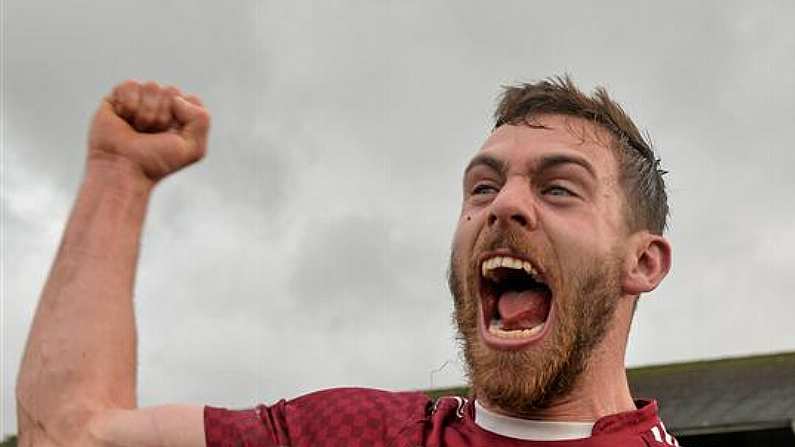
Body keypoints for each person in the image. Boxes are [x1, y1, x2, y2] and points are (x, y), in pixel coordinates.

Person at [16, 76, 678, 446]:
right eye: (481, 186)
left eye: (557, 187)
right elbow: (72, 434)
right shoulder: (355, 435)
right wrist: (118, 173)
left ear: (642, 262)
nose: (504, 206)